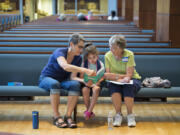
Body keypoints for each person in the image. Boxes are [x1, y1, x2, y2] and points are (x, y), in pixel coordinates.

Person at [38, 33, 96, 128]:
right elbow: (65, 66)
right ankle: (56, 116)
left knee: (75, 85)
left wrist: (85, 80)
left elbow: (73, 77)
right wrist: (86, 70)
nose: (81, 50)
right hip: (46, 78)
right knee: (54, 84)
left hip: (62, 81)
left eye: (82, 48)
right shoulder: (60, 52)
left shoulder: (77, 58)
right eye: (79, 47)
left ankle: (68, 116)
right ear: (71, 44)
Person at [104, 35, 141, 127]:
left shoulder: (129, 54)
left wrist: (124, 77)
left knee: (128, 86)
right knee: (113, 87)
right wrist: (119, 77)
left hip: (132, 79)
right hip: (114, 80)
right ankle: (118, 115)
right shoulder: (107, 55)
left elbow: (130, 74)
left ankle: (130, 115)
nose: (111, 49)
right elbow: (108, 75)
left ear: (121, 48)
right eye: (110, 47)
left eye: (114, 48)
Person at [80, 43, 105, 120]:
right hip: (87, 83)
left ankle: (89, 111)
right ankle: (89, 111)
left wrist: (98, 81)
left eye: (94, 57)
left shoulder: (100, 64)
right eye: (89, 58)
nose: (92, 60)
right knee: (85, 90)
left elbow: (103, 76)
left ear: (97, 56)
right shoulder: (84, 64)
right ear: (86, 58)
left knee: (96, 89)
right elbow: (81, 77)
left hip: (96, 83)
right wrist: (86, 82)